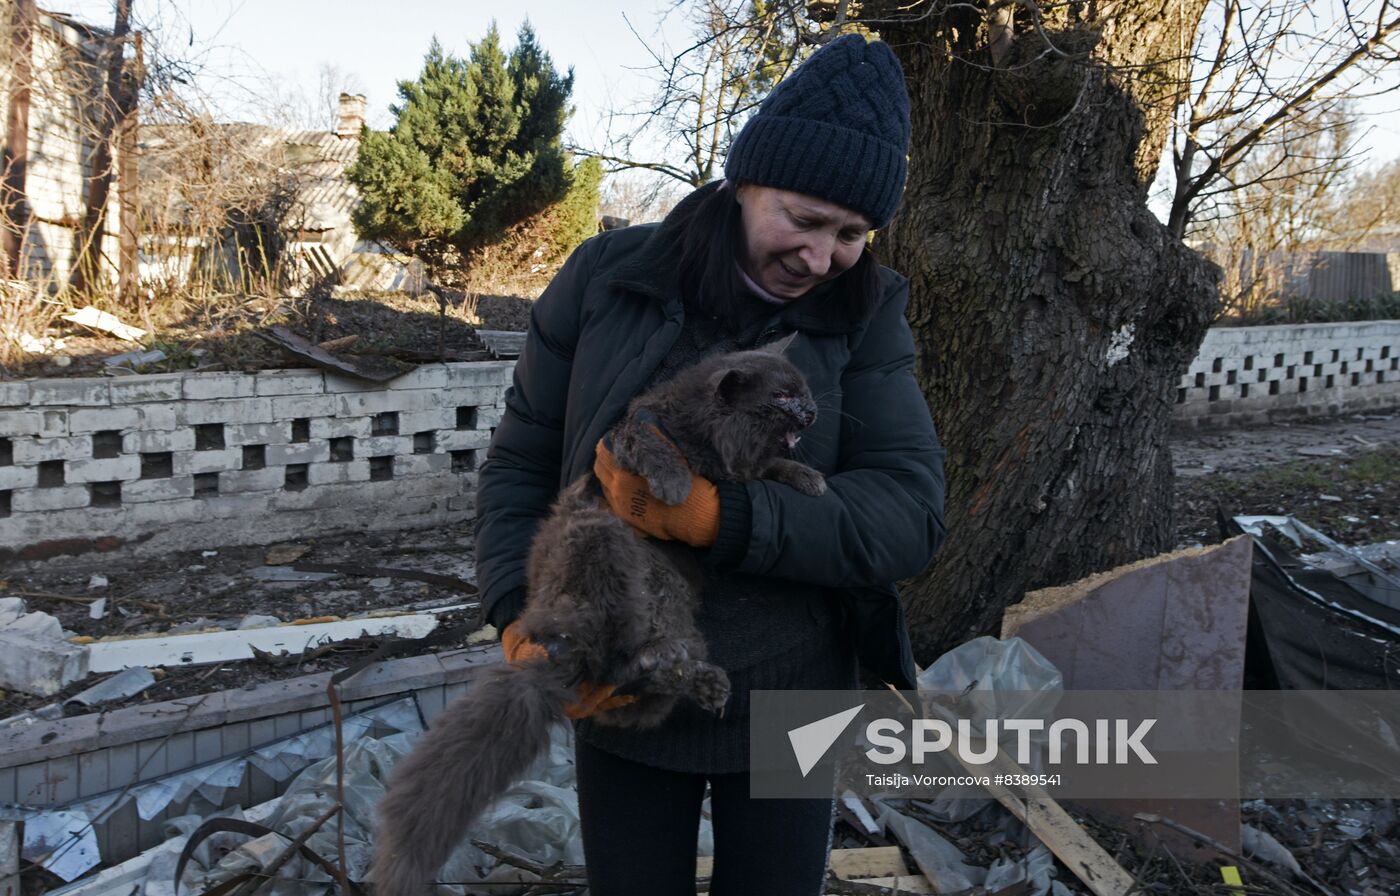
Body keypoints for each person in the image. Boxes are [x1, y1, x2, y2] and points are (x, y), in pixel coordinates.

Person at [474, 33, 946, 896]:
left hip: (798, 701)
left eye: (851, 233)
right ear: (740, 184)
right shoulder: (608, 280)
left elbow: (907, 513)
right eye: (802, 220)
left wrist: (722, 520)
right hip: (625, 678)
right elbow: (521, 463)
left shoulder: (869, 316)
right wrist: (518, 617)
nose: (820, 259)